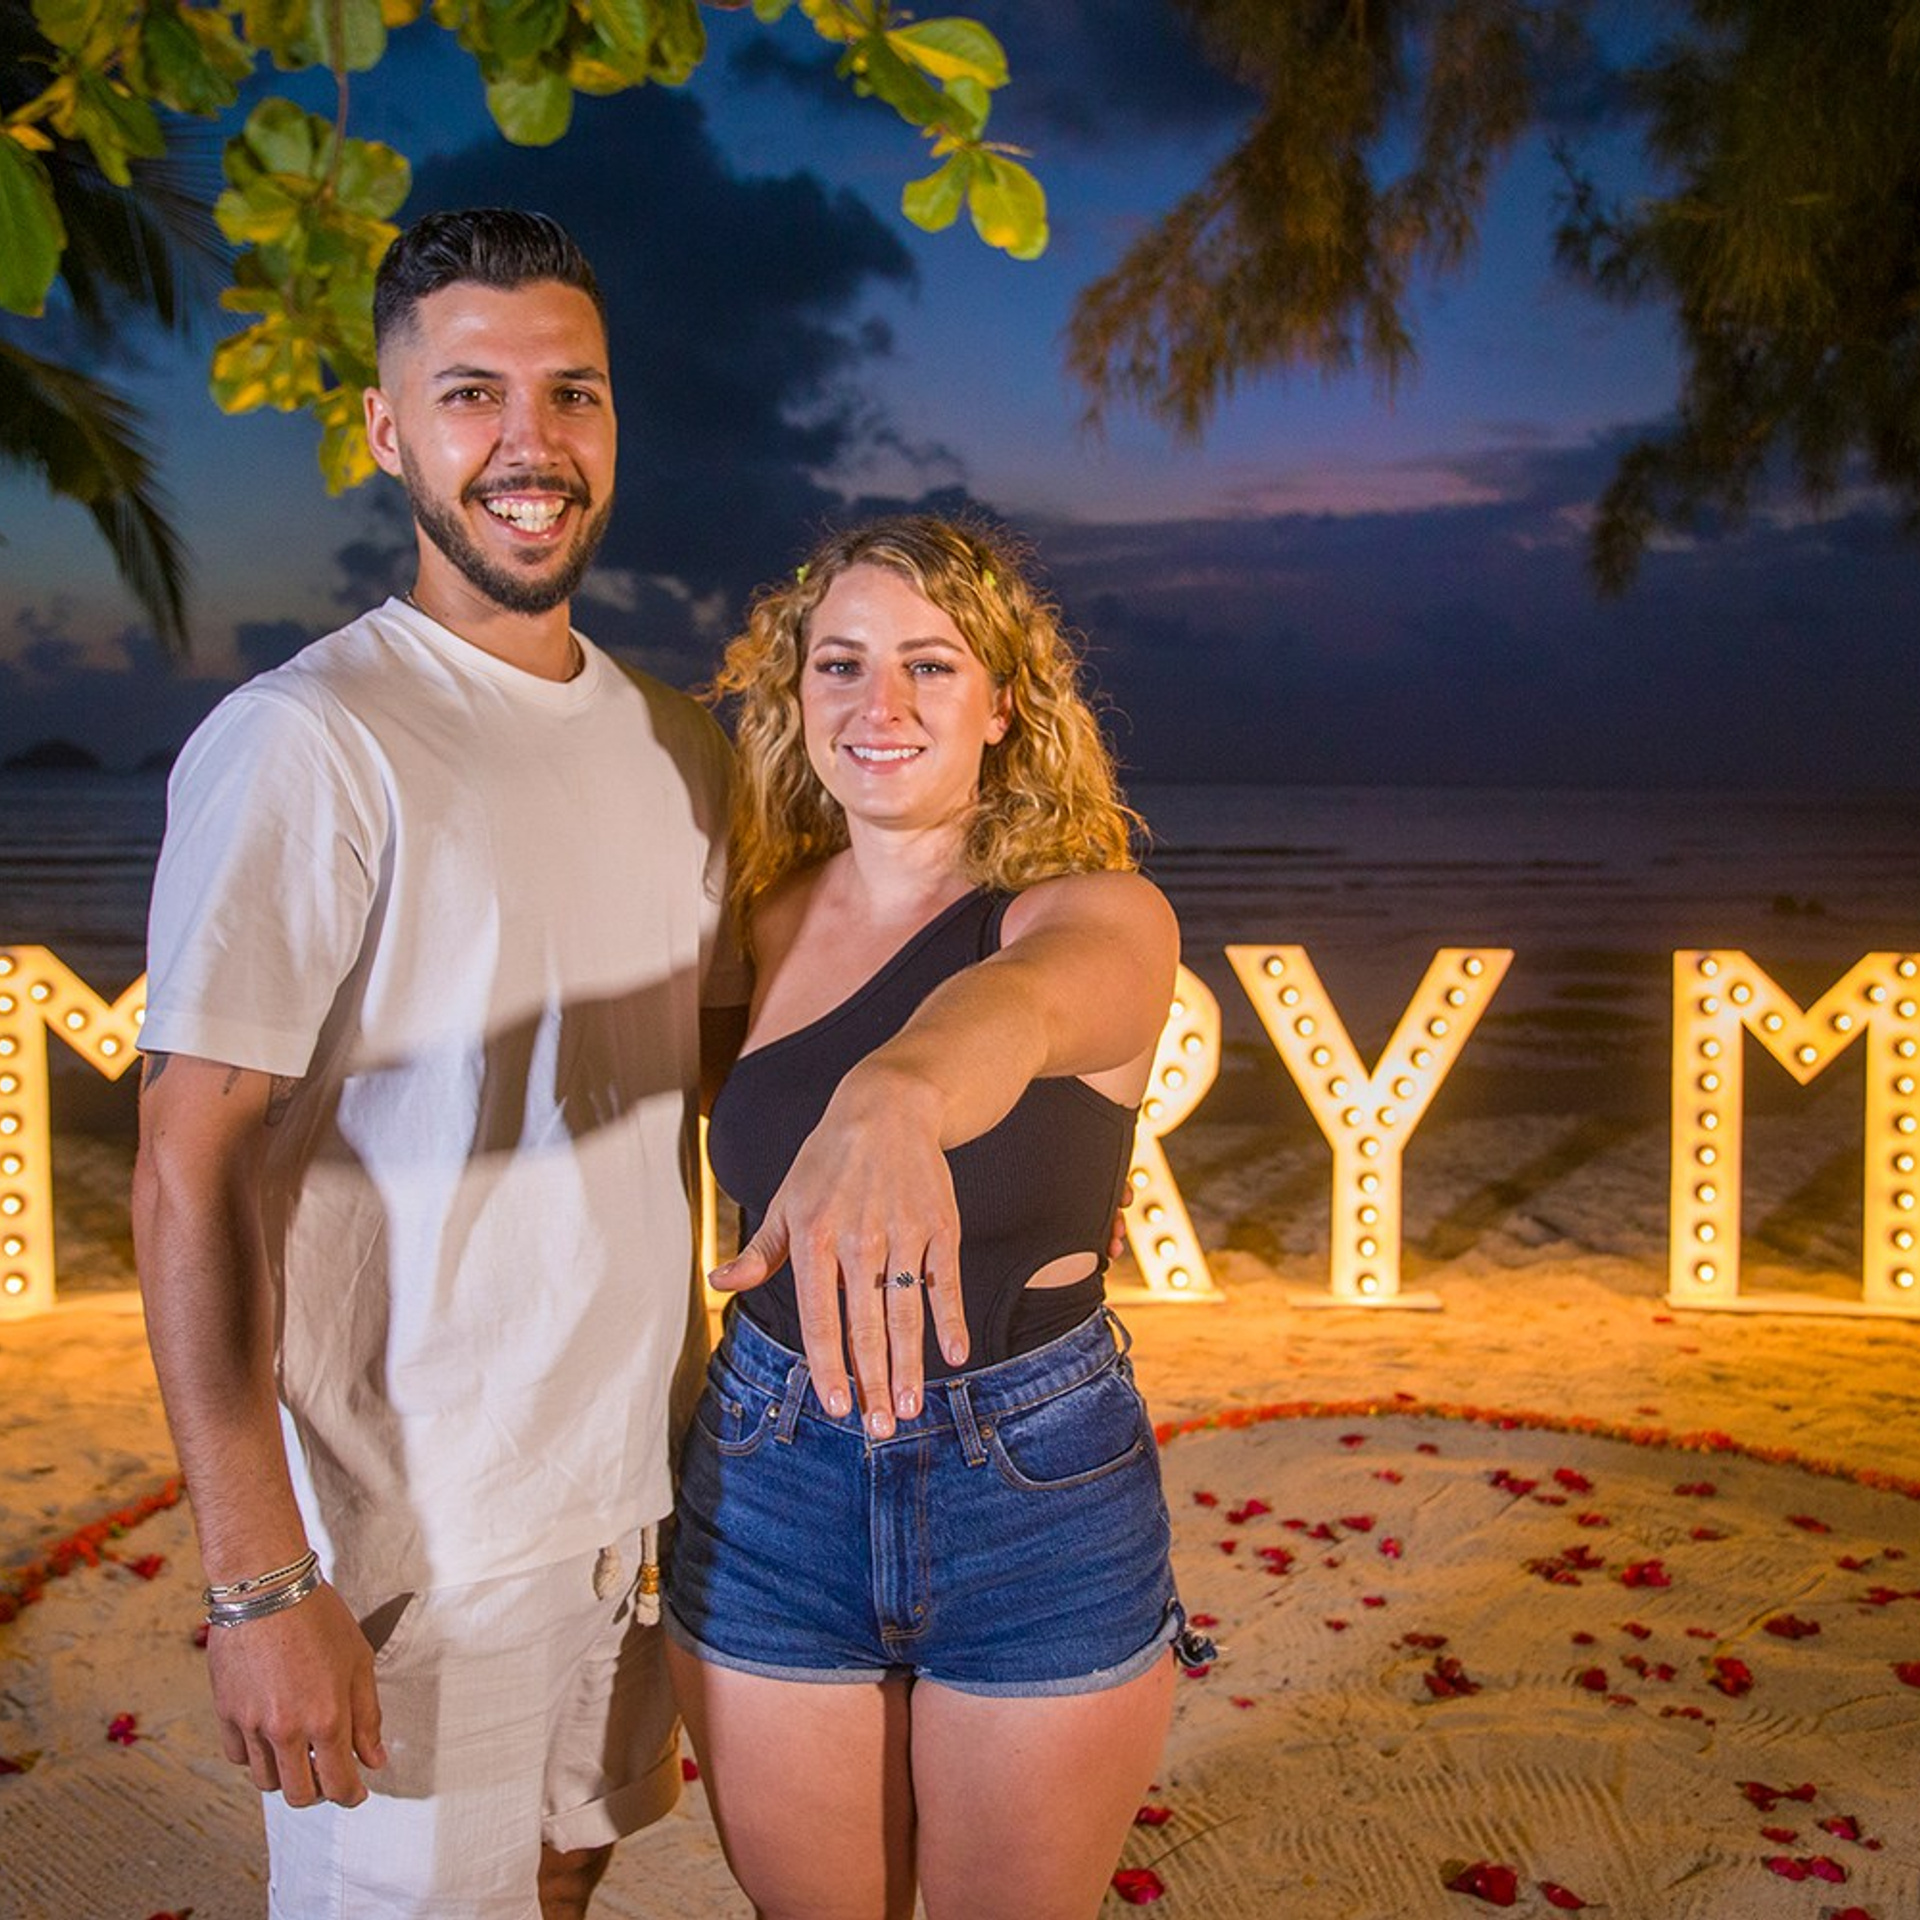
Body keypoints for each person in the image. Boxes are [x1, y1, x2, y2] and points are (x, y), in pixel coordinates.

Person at [131, 208, 751, 1918]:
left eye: (575, 395)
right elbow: (186, 1156)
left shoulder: (677, 746)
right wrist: (259, 1580)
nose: (531, 446)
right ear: (389, 432)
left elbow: (716, 1100)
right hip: (408, 1538)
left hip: (631, 1500)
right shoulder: (307, 744)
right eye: (473, 395)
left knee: (564, 1876)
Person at [665, 515, 1207, 1920]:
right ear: (797, 700)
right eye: (840, 665)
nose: (881, 705)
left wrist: (900, 1089)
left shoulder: (1095, 915)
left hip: (1030, 1483)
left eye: (930, 666)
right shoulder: (756, 923)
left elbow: (1022, 1007)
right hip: (773, 1470)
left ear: (1004, 702)